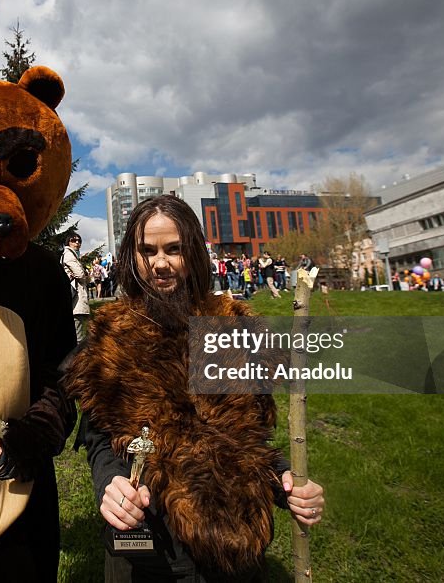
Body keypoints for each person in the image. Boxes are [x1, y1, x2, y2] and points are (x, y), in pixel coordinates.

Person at [63, 195, 324, 581]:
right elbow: (100, 436)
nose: (160, 264)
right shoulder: (111, 335)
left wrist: (288, 482)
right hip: (147, 545)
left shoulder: (230, 326)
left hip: (233, 541)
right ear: (131, 257)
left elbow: (247, 439)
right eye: (147, 251)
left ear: (194, 254)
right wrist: (110, 484)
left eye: (174, 250)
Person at [61, 233, 91, 343]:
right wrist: (84, 274)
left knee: (81, 334)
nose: (77, 243)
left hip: (78, 301)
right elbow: (81, 275)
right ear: (68, 242)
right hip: (76, 302)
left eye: (79, 241)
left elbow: (84, 277)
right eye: (74, 240)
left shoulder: (74, 255)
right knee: (78, 339)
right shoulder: (69, 254)